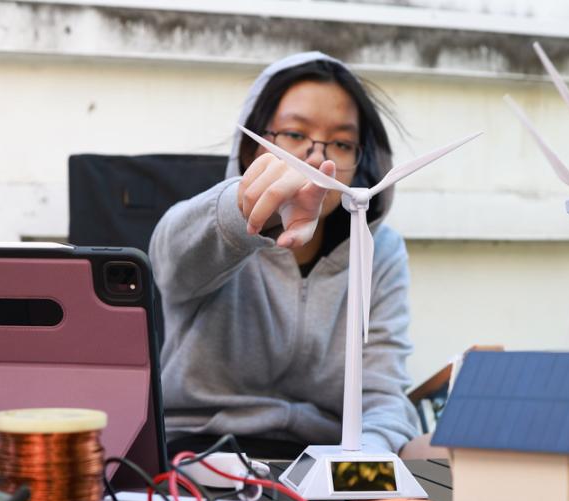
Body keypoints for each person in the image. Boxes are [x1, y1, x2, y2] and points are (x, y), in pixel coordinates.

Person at [149, 51, 423, 461]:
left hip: (326, 460)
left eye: (342, 143)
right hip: (201, 456)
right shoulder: (213, 231)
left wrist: (362, 464)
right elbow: (171, 259)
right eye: (295, 135)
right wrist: (245, 211)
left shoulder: (380, 252)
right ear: (250, 149)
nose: (317, 160)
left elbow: (382, 394)